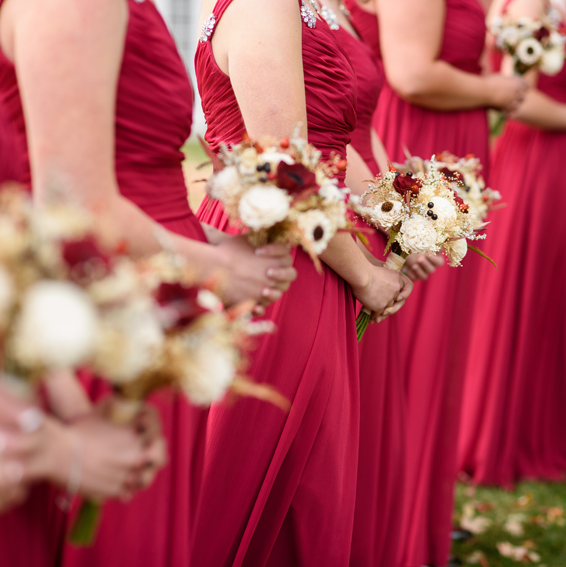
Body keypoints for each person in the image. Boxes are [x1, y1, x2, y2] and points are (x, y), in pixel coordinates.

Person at [0, 0, 298, 564]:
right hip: (104, 298)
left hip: (145, 276)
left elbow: (133, 172)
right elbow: (77, 202)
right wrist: (223, 270)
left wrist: (209, 238)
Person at [189, 1, 412, 565]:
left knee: (308, 473)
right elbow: (283, 170)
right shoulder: (267, 7)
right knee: (273, 472)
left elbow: (333, 146)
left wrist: (408, 215)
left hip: (306, 240)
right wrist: (365, 275)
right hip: (278, 252)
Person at [343, 1, 528, 565]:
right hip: (413, 142)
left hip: (413, 152)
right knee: (415, 352)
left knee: (438, 350)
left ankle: (418, 515)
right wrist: (495, 90)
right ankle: (397, 526)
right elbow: (413, 73)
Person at [457, 0, 566, 489]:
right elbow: (516, 97)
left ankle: (532, 427)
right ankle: (495, 436)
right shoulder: (527, 4)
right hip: (532, 160)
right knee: (516, 292)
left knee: (542, 292)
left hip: (555, 161)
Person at [313, 2, 411, 565]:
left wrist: (408, 214)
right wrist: (390, 214)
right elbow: (328, 140)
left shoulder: (334, 13)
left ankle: (371, 541)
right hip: (336, 208)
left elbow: (358, 131)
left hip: (363, 201)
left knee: (366, 408)